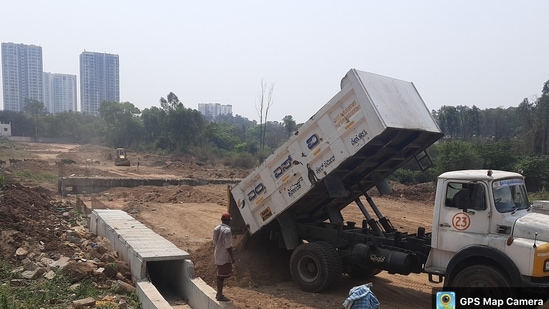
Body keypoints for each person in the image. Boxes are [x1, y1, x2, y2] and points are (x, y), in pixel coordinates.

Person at [213, 212, 235, 302]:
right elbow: (228, 246)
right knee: (221, 276)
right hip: (224, 255)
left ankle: (219, 294)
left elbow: (214, 242)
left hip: (217, 253)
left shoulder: (216, 228)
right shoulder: (227, 231)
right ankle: (219, 295)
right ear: (228, 220)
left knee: (220, 275)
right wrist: (232, 257)